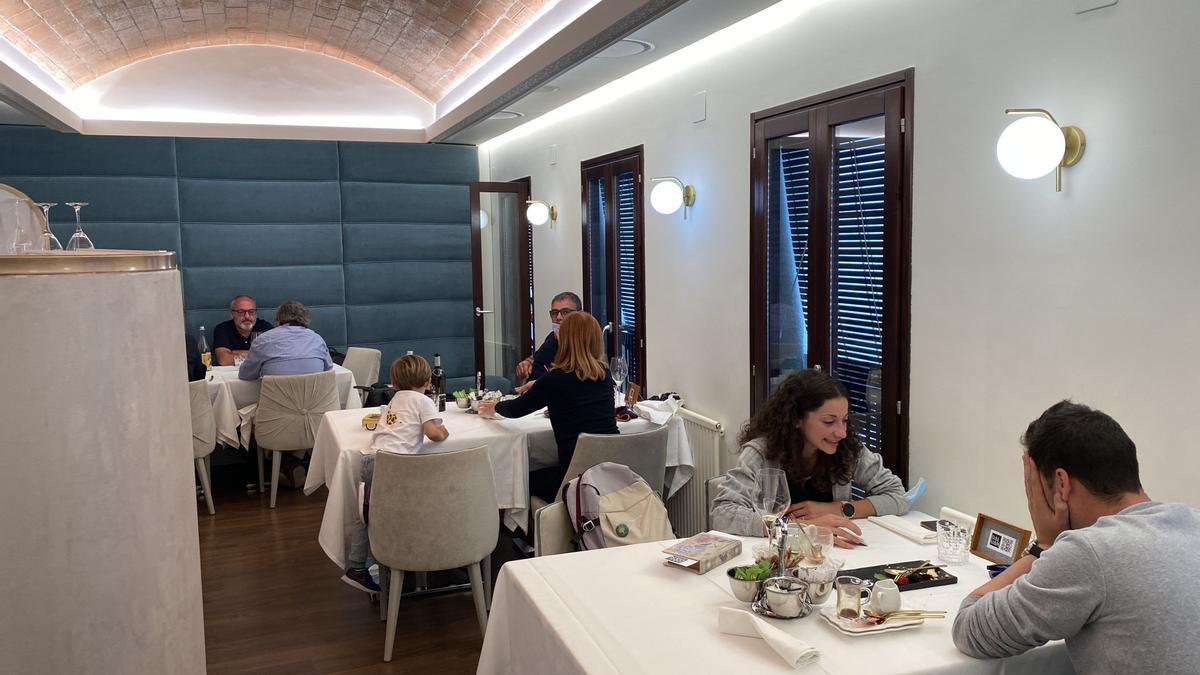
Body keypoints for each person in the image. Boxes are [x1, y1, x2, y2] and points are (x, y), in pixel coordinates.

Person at [952, 400, 1200, 673]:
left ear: (1061, 483)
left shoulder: (1089, 551)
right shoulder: (1192, 520)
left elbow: (970, 629)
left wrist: (1044, 545)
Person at [710, 369, 908, 547]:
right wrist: (803, 527)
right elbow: (722, 514)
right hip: (776, 555)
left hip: (835, 555)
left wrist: (839, 509)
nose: (841, 432)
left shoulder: (846, 448)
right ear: (796, 419)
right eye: (829, 422)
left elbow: (897, 495)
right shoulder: (761, 453)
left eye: (845, 421)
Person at [479, 311, 617, 501]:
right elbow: (575, 383)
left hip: (574, 478)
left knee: (514, 481)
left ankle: (528, 529)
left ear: (566, 341)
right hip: (609, 472)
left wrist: (493, 407)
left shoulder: (555, 380)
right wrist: (537, 384)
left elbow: (515, 410)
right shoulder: (604, 374)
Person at [342, 354, 449, 594]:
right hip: (394, 465)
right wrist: (444, 432)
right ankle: (408, 554)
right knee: (403, 510)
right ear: (427, 381)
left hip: (370, 459)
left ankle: (357, 567)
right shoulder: (423, 401)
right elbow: (432, 433)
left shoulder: (394, 399)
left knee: (365, 515)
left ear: (395, 382)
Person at [238, 300, 332, 380]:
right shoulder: (317, 339)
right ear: (306, 320)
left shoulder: (263, 340)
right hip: (315, 401)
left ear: (278, 320)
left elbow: (245, 375)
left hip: (275, 401)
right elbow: (328, 368)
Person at [514, 291, 582, 393]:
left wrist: (564, 346)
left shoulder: (584, 340)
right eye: (554, 313)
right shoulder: (552, 337)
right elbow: (537, 358)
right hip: (532, 397)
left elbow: (575, 380)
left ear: (579, 314)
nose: (558, 318)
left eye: (565, 312)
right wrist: (527, 362)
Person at [213, 295, 274, 366]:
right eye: (241, 312)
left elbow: (274, 357)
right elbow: (224, 360)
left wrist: (236, 353)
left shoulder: (265, 328)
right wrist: (257, 355)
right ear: (232, 314)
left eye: (251, 311)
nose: (247, 316)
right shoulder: (222, 329)